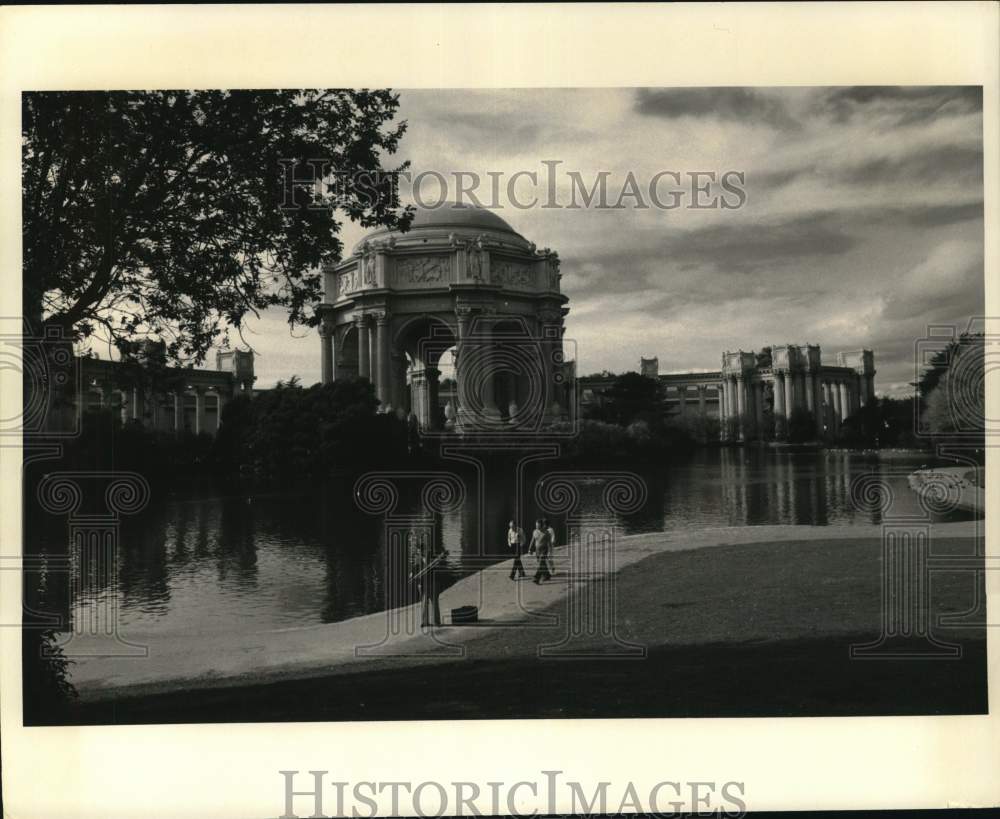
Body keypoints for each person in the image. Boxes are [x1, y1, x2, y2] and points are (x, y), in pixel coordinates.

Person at [530, 519, 552, 584]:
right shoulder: (535, 531)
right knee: (542, 564)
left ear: (542, 526)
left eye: (538, 526)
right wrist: (530, 548)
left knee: (541, 563)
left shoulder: (546, 533)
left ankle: (536, 577)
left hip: (544, 550)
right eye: (536, 526)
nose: (537, 527)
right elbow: (532, 540)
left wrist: (550, 552)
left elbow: (549, 543)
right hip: (537, 550)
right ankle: (547, 575)